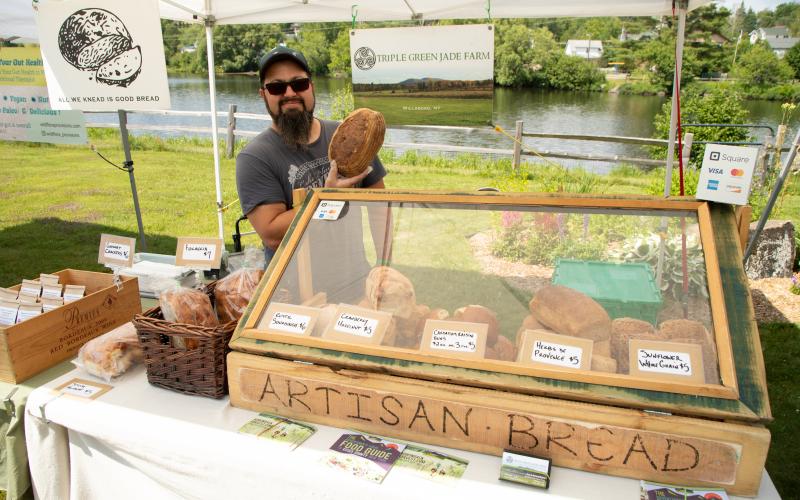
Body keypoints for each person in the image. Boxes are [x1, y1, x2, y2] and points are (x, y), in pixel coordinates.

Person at [236, 46, 389, 302]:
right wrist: (326, 199)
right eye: (277, 87)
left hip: (356, 285)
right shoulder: (255, 157)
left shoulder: (349, 136)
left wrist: (384, 264)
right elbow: (273, 235)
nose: (289, 93)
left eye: (299, 83)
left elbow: (380, 208)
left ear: (311, 86)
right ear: (263, 94)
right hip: (294, 298)